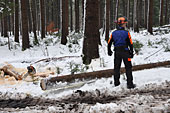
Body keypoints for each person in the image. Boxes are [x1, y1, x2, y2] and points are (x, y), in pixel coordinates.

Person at [108, 16, 136, 89]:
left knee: (116, 68)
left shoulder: (113, 33)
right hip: (125, 52)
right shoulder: (126, 33)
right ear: (122, 24)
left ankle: (116, 83)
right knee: (128, 67)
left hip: (117, 52)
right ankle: (130, 84)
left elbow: (109, 43)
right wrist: (131, 52)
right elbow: (131, 43)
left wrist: (109, 50)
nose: (125, 25)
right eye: (125, 24)